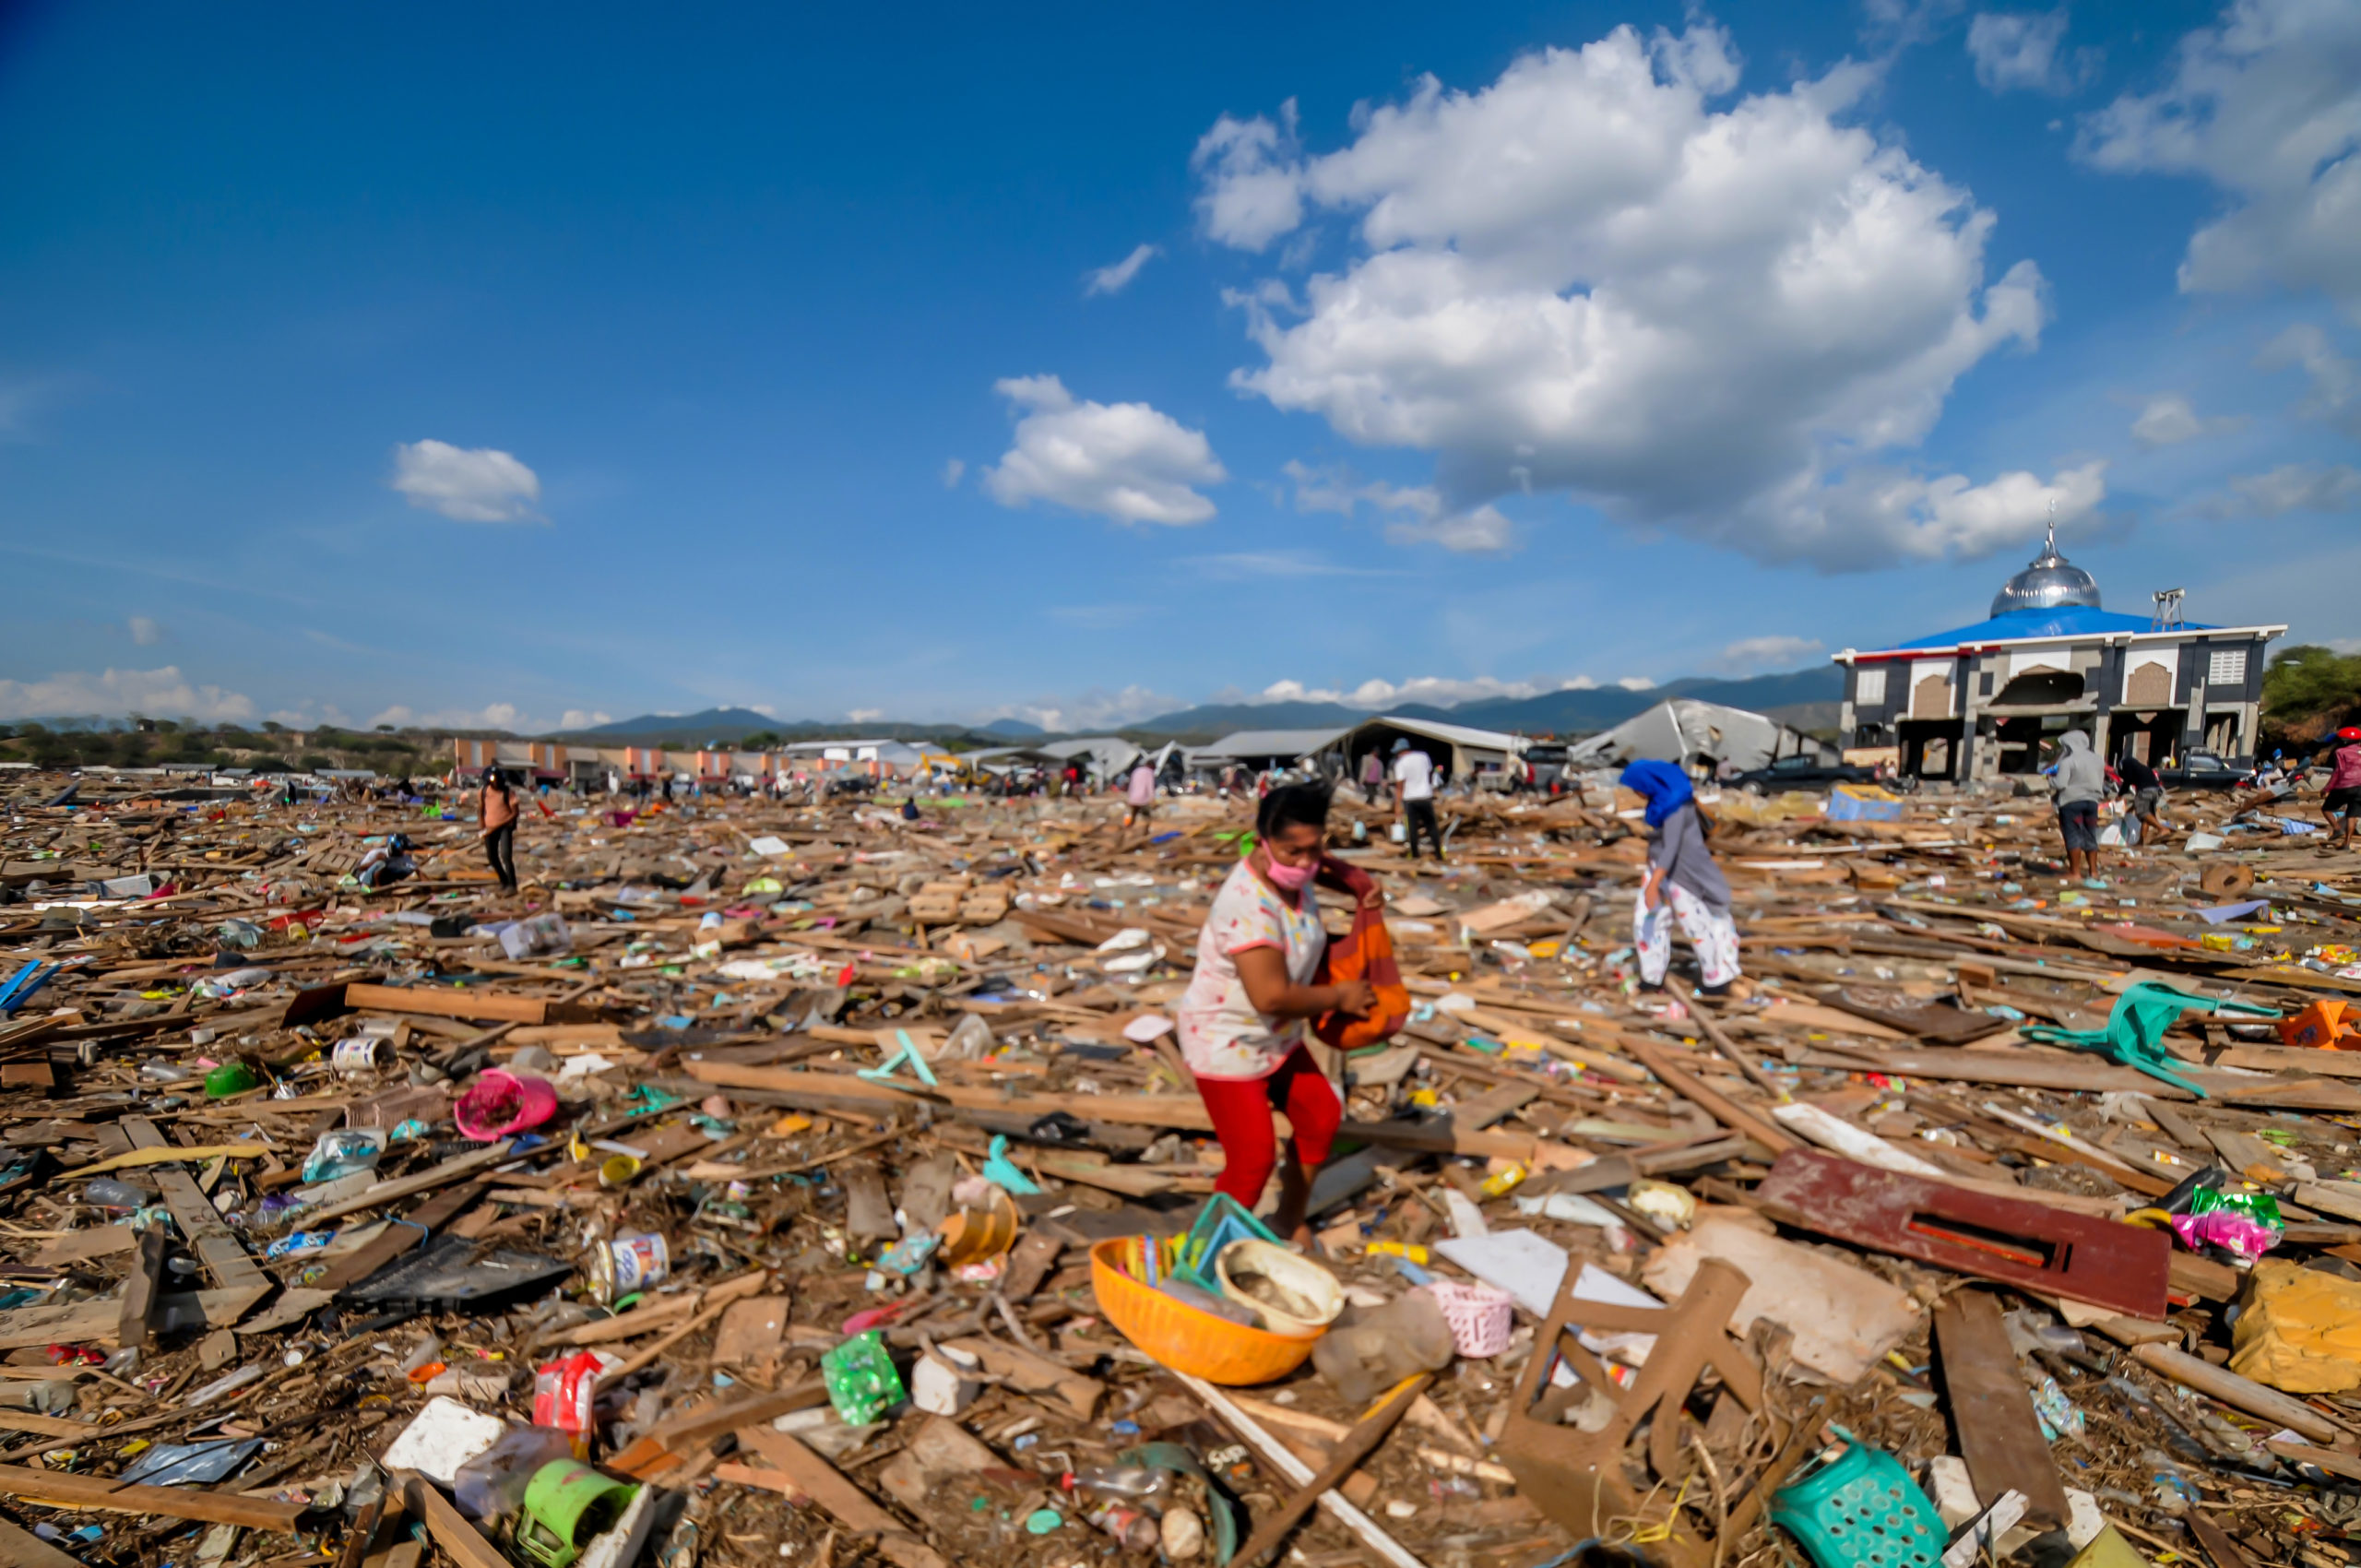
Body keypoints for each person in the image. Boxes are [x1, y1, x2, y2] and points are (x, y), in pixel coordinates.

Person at [1178, 781, 1378, 1243]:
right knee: (1251, 1160)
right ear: (1262, 841)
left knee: (1320, 1115)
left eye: (1316, 849)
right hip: (1227, 1040)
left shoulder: (1298, 867)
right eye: (1293, 853)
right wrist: (1340, 997)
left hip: (1274, 1035)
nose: (1306, 864)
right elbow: (1270, 995)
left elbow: (1322, 866)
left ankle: (1289, 1220)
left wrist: (1359, 883)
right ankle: (1203, 1255)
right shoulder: (1248, 904)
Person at [1619, 761, 1741, 996]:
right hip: (1661, 869)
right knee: (1647, 920)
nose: (1635, 793)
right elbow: (1657, 841)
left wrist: (1654, 883)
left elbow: (1672, 846)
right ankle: (1652, 975)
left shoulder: (1676, 806)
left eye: (1636, 787)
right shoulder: (1659, 802)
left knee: (1696, 925)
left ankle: (1716, 979)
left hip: (1683, 873)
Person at [2050, 730, 2106, 883]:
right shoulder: (2098, 759)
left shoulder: (2068, 761)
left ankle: (2075, 872)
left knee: (2073, 835)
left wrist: (2048, 781)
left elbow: (2061, 783)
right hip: (2092, 801)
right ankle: (2093, 871)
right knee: (2090, 834)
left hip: (2071, 801)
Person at [1391, 740, 1443, 861]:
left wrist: (1397, 805)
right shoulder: (1423, 756)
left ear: (1400, 751)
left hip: (1410, 799)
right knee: (1432, 826)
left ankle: (1415, 855)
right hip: (1425, 796)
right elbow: (1430, 773)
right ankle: (1438, 853)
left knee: (1412, 829)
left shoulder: (1400, 763)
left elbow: (1399, 786)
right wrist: (1428, 786)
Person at [480, 766, 520, 893]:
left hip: (505, 827)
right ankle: (504, 881)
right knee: (492, 857)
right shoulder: (484, 792)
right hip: (489, 828)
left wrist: (503, 822)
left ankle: (512, 885)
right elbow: (480, 809)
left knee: (506, 855)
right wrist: (482, 827)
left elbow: (515, 813)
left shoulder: (508, 793)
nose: (495, 783)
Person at [2319, 727, 2361, 849]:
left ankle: (2337, 829)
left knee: (2326, 808)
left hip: (2345, 785)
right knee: (2351, 815)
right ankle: (2346, 844)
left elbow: (2338, 771)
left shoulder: (2340, 752)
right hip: (2360, 788)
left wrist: (2327, 788)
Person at [2118, 747, 2168, 847]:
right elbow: (2140, 799)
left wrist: (2119, 796)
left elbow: (2127, 782)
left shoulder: (2128, 766)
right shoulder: (2143, 769)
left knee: (2142, 813)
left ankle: (2162, 828)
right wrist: (2132, 807)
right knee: (2147, 818)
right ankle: (2141, 842)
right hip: (2156, 791)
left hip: (2146, 791)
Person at [1123, 759, 1157, 832]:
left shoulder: (1136, 771)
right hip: (1143, 799)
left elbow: (1131, 784)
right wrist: (1152, 798)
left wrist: (1129, 796)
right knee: (1147, 816)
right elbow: (1150, 786)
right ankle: (1146, 831)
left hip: (1133, 798)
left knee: (1132, 814)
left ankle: (1128, 829)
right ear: (1152, 767)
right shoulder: (1149, 772)